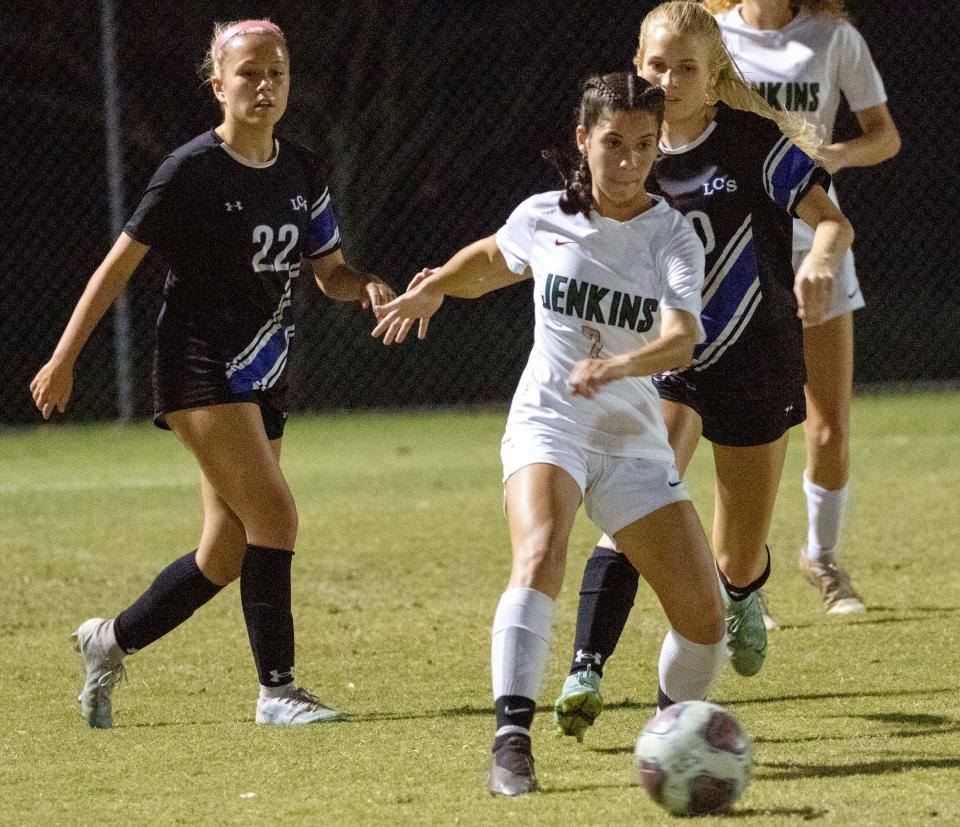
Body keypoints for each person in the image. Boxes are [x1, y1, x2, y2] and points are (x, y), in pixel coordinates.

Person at [29, 19, 394, 729]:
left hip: (265, 366)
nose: (265, 85)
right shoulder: (191, 170)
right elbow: (117, 268)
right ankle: (278, 691)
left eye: (278, 72)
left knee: (225, 551)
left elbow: (329, 273)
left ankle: (110, 640)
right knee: (277, 514)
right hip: (198, 363)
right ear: (217, 84)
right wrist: (64, 356)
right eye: (249, 72)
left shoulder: (303, 168)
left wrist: (368, 285)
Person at [372, 72, 726, 797]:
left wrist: (622, 363)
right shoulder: (543, 215)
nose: (627, 161)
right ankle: (511, 742)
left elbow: (684, 340)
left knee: (705, 617)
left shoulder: (671, 235)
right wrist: (438, 282)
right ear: (581, 140)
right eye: (612, 143)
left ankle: (670, 737)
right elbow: (493, 259)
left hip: (630, 439)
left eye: (644, 146)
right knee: (539, 551)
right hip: (549, 423)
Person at [553, 0, 854, 740]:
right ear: (637, 67)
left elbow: (833, 221)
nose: (669, 78)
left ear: (715, 79)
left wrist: (818, 260)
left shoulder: (752, 143)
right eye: (656, 65)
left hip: (754, 363)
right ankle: (586, 668)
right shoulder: (627, 154)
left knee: (735, 552)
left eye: (687, 67)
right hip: (667, 368)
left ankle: (745, 588)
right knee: (630, 510)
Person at [704, 0, 901, 620]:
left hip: (818, 236)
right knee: (746, 422)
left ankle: (821, 557)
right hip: (742, 242)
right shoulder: (711, 35)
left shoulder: (835, 37)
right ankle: (742, 582)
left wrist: (834, 156)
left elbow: (884, 135)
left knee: (828, 424)